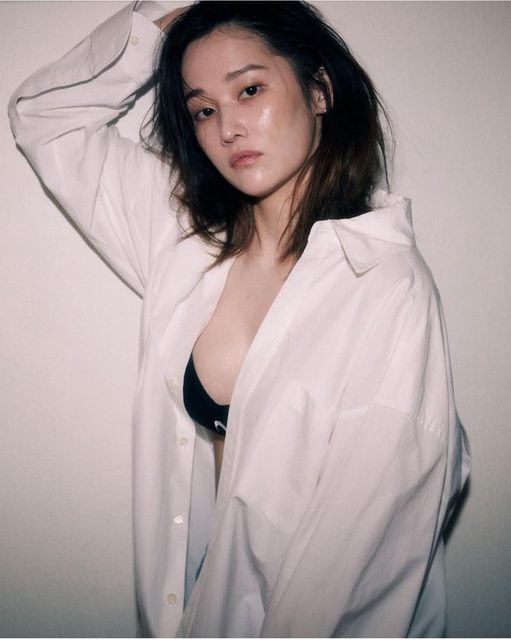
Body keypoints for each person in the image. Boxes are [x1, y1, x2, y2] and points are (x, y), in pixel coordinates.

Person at [8, 1, 470, 637]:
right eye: (203, 109)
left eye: (250, 90)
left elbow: (359, 562)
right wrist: (166, 15)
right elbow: (45, 117)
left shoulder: (386, 287)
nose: (228, 128)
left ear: (319, 90)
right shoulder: (183, 241)